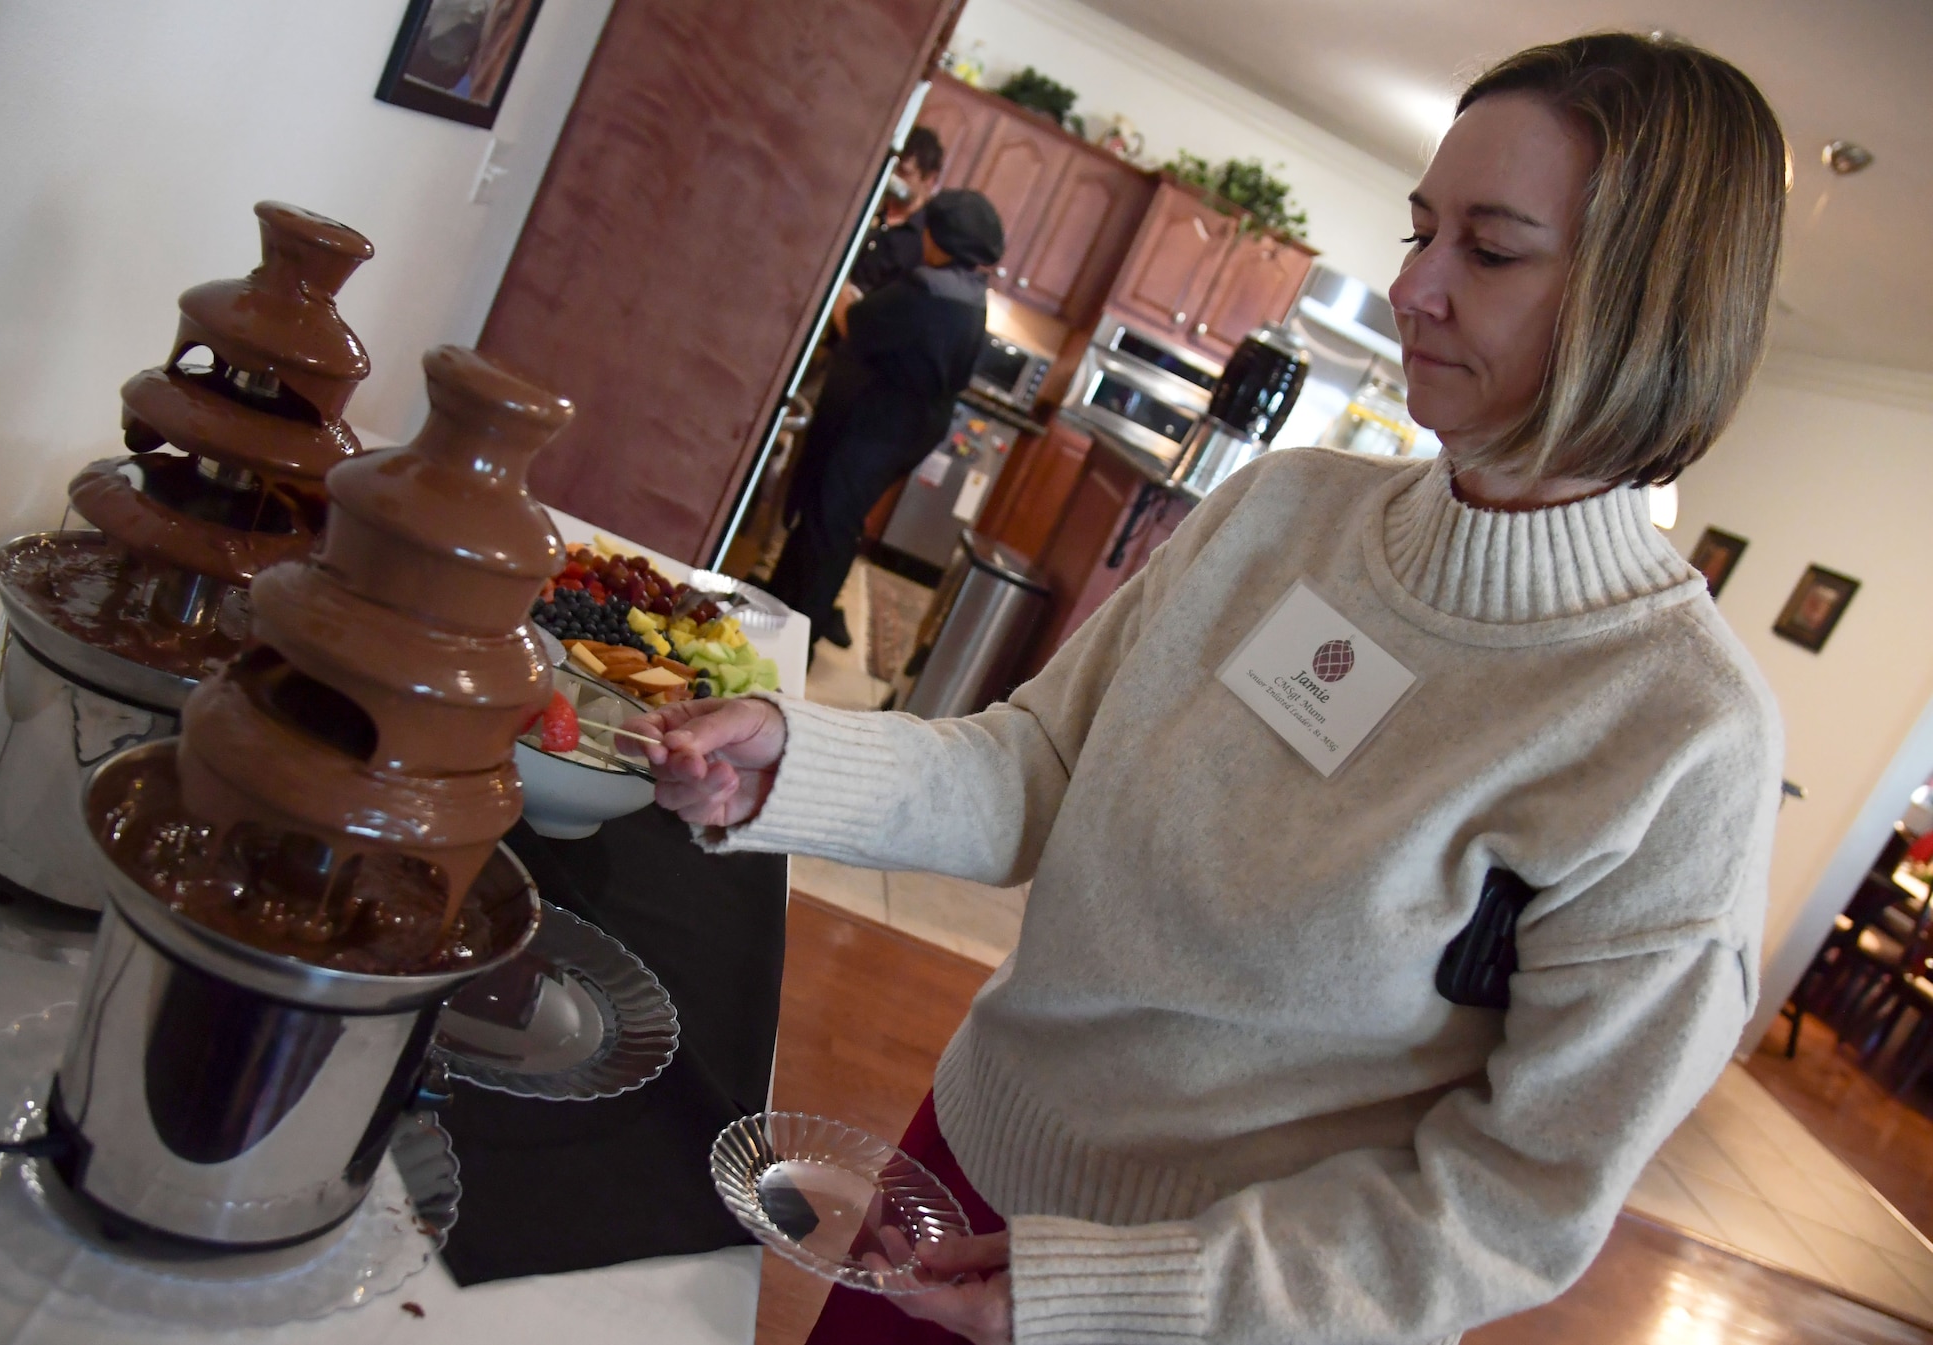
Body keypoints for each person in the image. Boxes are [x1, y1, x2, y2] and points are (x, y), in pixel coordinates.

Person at [631, 32, 1786, 1344]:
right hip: (954, 1179)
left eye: (1493, 249)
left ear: (1651, 302)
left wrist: (1129, 1295)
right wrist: (790, 759)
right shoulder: (1284, 511)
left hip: (1205, 1307)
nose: (1416, 289)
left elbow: (1508, 1202)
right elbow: (1038, 771)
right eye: (1421, 233)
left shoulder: (1679, 732)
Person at [769, 189, 1003, 645]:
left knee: (829, 519)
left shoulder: (927, 289)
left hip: (883, 422)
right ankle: (786, 607)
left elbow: (853, 322)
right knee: (836, 515)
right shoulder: (970, 295)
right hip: (913, 426)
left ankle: (797, 634)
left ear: (940, 237)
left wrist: (843, 287)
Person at [834, 126, 948, 336]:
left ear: (930, 180)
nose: (893, 179)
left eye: (903, 173)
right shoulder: (864, 207)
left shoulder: (924, 243)